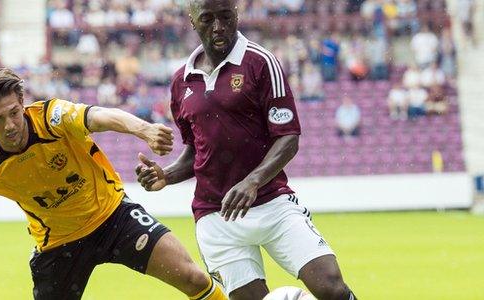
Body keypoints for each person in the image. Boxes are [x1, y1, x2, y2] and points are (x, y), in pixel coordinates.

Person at [0, 68, 226, 300]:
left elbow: (100, 116)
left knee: (192, 277)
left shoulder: (53, 117)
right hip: (58, 247)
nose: (10, 125)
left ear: (23, 102)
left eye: (14, 113)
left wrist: (143, 130)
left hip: (114, 218)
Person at [135, 1, 357, 299]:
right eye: (208, 19)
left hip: (272, 203)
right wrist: (167, 175)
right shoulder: (181, 81)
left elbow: (288, 137)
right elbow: (196, 150)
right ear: (192, 20)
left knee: (332, 289)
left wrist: (252, 181)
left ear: (236, 15)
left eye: (226, 17)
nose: (218, 27)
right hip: (217, 217)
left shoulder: (260, 62)